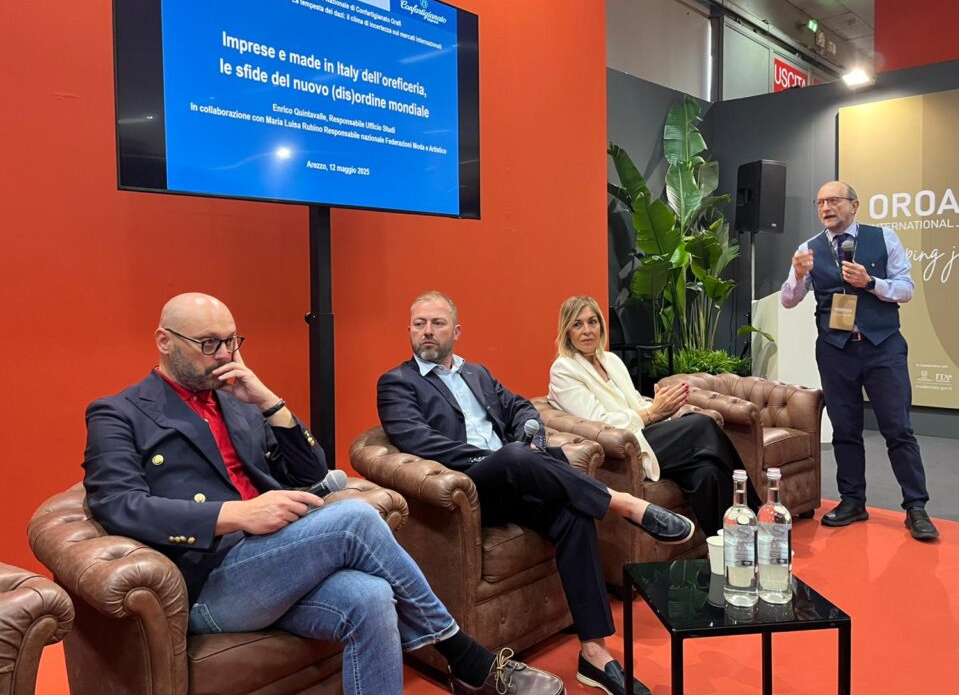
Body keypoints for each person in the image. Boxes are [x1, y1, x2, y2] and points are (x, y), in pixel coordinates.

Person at [82, 292, 564, 695]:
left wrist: (269, 402)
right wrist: (236, 514)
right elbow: (118, 504)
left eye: (232, 341)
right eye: (209, 343)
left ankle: (465, 664)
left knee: (372, 596)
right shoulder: (119, 412)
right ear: (165, 341)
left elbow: (311, 470)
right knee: (354, 517)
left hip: (275, 557)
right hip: (210, 580)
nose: (225, 354)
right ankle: (467, 658)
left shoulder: (239, 402)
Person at [378, 291, 696, 695]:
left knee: (573, 513)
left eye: (437, 323)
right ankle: (623, 503)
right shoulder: (397, 383)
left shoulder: (477, 373)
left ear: (456, 331)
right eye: (419, 324)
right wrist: (499, 458)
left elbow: (520, 408)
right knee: (513, 456)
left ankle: (594, 653)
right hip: (470, 490)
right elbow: (418, 441)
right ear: (408, 330)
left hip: (518, 477)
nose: (427, 331)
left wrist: (531, 442)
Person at [781, 181, 939, 541]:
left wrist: (871, 283)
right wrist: (799, 275)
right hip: (835, 349)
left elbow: (906, 289)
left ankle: (916, 507)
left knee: (898, 428)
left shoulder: (884, 238)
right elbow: (789, 300)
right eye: (820, 202)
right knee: (844, 429)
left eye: (834, 200)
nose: (826, 207)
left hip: (883, 346)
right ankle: (853, 501)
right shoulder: (808, 249)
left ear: (854, 205)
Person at [546, 296, 759, 538]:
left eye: (592, 322)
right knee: (704, 424)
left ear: (601, 326)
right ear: (567, 331)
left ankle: (728, 544)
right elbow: (599, 423)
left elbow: (635, 401)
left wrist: (662, 407)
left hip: (645, 431)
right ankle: (758, 515)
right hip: (625, 446)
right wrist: (652, 412)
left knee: (707, 473)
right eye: (577, 324)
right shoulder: (564, 369)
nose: (587, 330)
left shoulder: (611, 360)